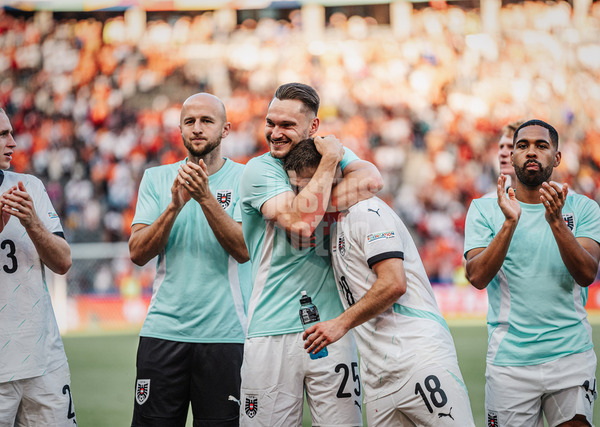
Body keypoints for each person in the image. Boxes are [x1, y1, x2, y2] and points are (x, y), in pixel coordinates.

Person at [283, 139, 475, 426]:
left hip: (418, 359)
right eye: (297, 188)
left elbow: (394, 283)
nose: (304, 195)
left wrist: (340, 323)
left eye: (310, 184)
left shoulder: (368, 212)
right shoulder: (335, 224)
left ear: (331, 176)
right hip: (377, 377)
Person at [238, 82, 382, 426]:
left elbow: (372, 180)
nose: (275, 133)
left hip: (332, 328)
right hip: (272, 328)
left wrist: (312, 203)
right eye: (270, 123)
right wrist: (330, 165)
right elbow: (302, 224)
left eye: (287, 125)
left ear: (313, 126)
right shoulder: (259, 169)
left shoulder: (325, 153)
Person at [464, 119, 600, 427]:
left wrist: (556, 222)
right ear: (512, 156)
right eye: (522, 145)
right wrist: (509, 224)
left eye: (541, 146)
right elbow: (476, 277)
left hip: (571, 357)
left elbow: (587, 273)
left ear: (557, 157)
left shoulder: (583, 208)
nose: (531, 152)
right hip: (509, 364)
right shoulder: (484, 209)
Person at [129, 93, 251, 426]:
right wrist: (174, 206)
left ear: (225, 129)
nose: (197, 128)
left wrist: (205, 197)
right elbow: (137, 252)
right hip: (163, 331)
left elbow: (243, 250)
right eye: (189, 121)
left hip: (226, 334)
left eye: (207, 121)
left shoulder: (245, 178)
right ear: (180, 130)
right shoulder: (156, 178)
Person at [0, 108, 76, 425]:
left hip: (45, 361)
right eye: (2, 135)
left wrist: (32, 223)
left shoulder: (29, 186)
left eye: (11, 132)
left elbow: (63, 262)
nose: (13, 142)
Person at [482, 120, 524, 198]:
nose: (502, 153)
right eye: (501, 147)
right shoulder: (488, 200)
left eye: (510, 146)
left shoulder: (547, 198)